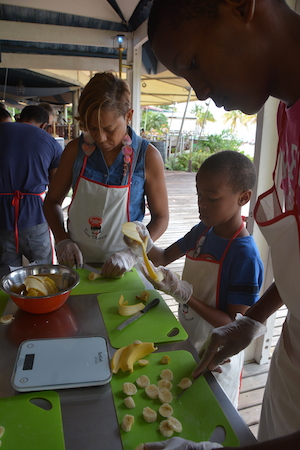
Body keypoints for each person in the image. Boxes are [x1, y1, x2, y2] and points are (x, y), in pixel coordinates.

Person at [143, 0, 300, 448]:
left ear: (239, 6)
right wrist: (254, 319)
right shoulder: (288, 114)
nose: (201, 91)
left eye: (193, 62)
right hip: (288, 367)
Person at [126, 151, 263, 408]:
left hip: (220, 358)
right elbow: (163, 257)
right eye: (199, 194)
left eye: (212, 198)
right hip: (189, 338)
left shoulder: (244, 256)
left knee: (210, 415)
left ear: (243, 197)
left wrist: (186, 295)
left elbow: (234, 326)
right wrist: (142, 242)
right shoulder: (203, 231)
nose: (202, 204)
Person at [43, 71, 168, 277]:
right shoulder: (75, 151)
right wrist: (62, 239)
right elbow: (52, 202)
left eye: (109, 129)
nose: (100, 138)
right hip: (76, 263)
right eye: (93, 128)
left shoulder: (147, 157)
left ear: (128, 116)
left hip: (126, 267)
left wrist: (131, 253)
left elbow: (161, 218)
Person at [0, 105, 63, 278]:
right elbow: (57, 187)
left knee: (5, 281)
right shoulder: (50, 142)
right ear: (44, 126)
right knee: (44, 276)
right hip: (34, 218)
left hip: (2, 221)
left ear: (19, 118)